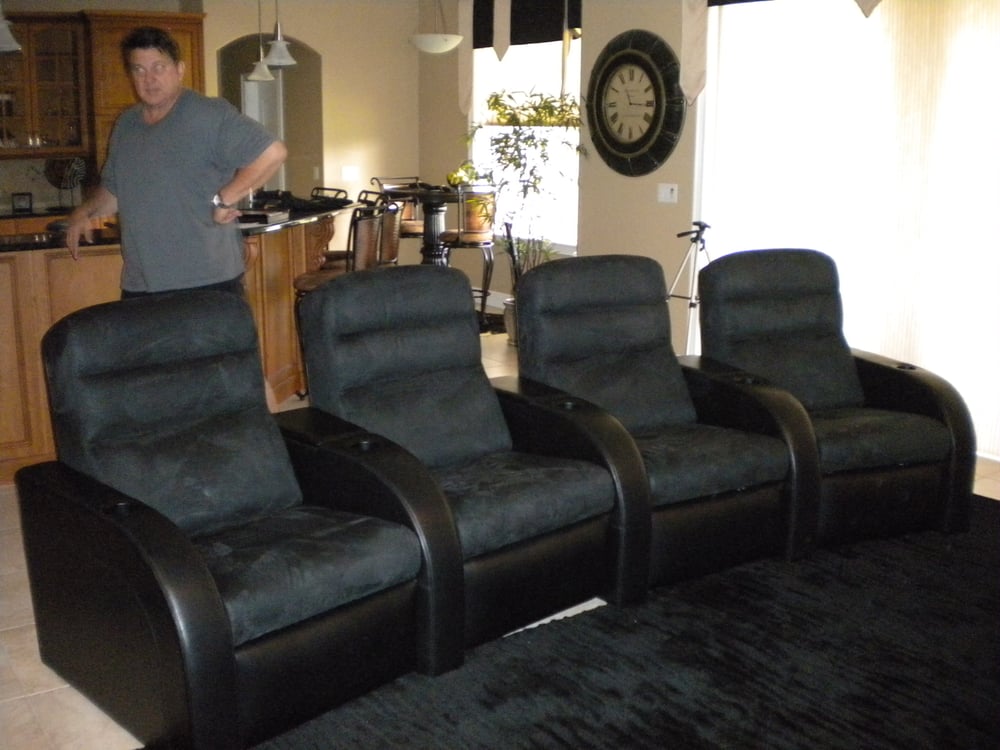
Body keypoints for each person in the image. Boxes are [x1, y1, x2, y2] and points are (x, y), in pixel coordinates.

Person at [66, 26, 287, 297]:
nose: (149, 79)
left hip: (207, 282)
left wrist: (225, 198)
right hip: (141, 284)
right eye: (139, 69)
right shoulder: (126, 125)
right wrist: (83, 212)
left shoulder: (207, 114)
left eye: (158, 67)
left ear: (179, 70)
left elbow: (272, 152)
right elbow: (115, 192)